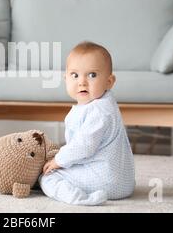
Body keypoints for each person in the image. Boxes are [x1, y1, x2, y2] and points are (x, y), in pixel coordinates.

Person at [39, 41, 135, 205]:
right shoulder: (105, 103)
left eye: (92, 75)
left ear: (109, 82)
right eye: (75, 75)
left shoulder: (98, 111)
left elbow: (83, 146)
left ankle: (77, 197)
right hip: (123, 182)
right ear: (66, 79)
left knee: (47, 177)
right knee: (63, 168)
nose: (82, 82)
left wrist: (58, 161)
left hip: (105, 180)